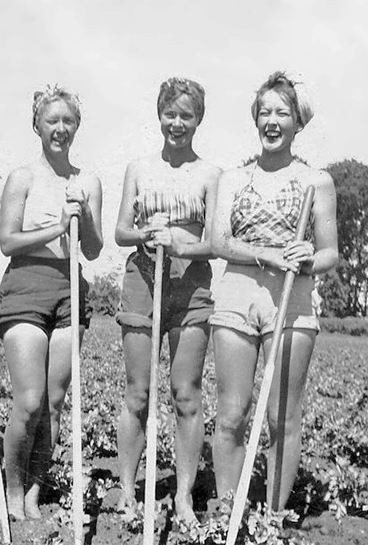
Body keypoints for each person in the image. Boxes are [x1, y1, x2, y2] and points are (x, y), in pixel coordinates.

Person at [209, 71, 338, 513]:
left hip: (292, 298)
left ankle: (272, 518)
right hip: (235, 296)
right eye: (264, 111)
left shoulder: (316, 181)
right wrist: (268, 255)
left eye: (282, 112)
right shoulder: (232, 178)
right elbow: (220, 242)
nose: (272, 120)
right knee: (231, 414)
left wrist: (305, 257)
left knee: (282, 417)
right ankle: (229, 513)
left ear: (298, 122)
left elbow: (330, 254)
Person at [113, 77, 221, 523]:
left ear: (198, 119)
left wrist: (179, 245)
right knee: (137, 393)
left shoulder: (211, 174)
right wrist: (145, 235)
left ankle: (182, 496)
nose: (177, 123)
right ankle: (125, 490)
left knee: (185, 395)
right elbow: (121, 232)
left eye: (186, 115)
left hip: (191, 282)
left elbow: (216, 241)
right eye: (170, 114)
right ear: (159, 115)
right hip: (143, 278)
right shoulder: (139, 168)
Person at [0, 85, 103, 521]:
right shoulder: (23, 178)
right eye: (52, 120)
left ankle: (36, 492)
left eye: (68, 121)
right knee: (30, 400)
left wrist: (84, 217)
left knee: (55, 403)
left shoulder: (87, 181)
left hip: (69, 288)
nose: (60, 129)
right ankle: (13, 490)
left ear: (77, 126)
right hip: (25, 284)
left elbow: (93, 250)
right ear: (36, 125)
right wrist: (58, 228)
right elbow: (7, 241)